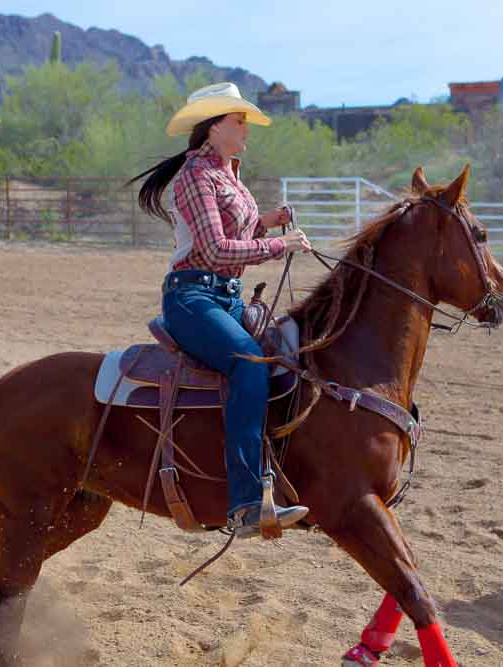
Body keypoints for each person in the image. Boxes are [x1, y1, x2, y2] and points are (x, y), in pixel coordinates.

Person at [130, 82, 311, 538]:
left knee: (285, 359)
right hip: (192, 298)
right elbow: (213, 249)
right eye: (238, 120)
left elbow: (238, 226)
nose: (246, 128)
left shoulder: (228, 172)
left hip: (225, 297)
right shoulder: (196, 176)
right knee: (250, 368)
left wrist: (267, 220)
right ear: (214, 127)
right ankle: (245, 502)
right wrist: (278, 243)